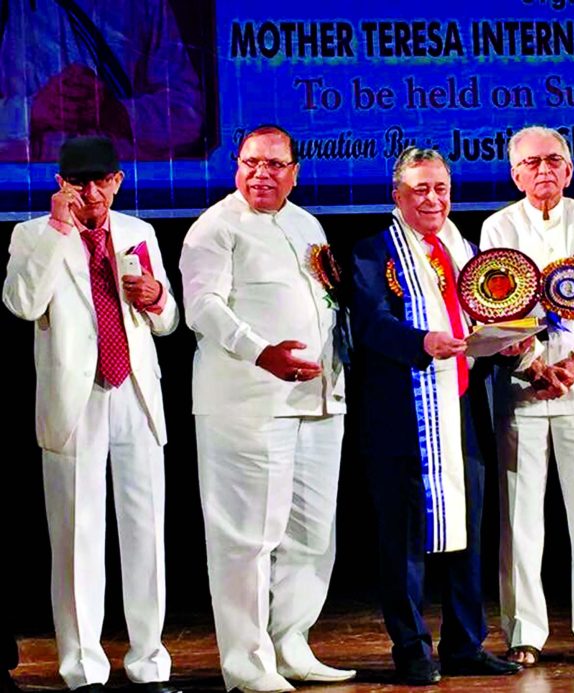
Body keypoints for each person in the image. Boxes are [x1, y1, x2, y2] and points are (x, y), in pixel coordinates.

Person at [179, 125, 354, 692]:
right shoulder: (216, 227)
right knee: (247, 537)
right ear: (236, 166)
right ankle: (247, 665)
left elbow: (328, 299)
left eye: (276, 165)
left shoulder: (307, 224)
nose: (263, 173)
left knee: (311, 533)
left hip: (319, 400)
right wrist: (262, 354)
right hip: (247, 403)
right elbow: (201, 307)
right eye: (252, 162)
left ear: (294, 172)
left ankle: (292, 643)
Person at [2, 135, 179, 693]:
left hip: (135, 393)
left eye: (102, 180)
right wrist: (59, 232)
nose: (92, 192)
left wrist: (155, 297)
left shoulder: (138, 232)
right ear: (61, 184)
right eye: (79, 182)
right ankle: (83, 670)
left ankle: (150, 663)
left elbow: (169, 318)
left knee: (147, 532)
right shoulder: (33, 235)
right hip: (76, 398)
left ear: (117, 181)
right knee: (78, 535)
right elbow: (23, 303)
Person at [348, 147, 523, 686]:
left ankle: (466, 645)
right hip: (403, 414)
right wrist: (422, 340)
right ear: (397, 196)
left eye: (441, 188)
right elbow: (371, 324)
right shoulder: (372, 252)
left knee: (467, 531)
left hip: (461, 408)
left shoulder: (465, 251)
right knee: (403, 539)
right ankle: (412, 648)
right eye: (420, 189)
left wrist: (506, 340)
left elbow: (483, 315)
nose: (432, 199)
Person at [479, 125, 574, 665]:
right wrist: (533, 363)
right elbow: (492, 308)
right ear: (515, 173)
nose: (545, 170)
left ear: (570, 169)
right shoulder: (499, 225)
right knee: (519, 515)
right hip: (521, 386)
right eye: (533, 163)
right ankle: (524, 633)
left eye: (555, 161)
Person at [0, 0, 203, 160]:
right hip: (23, 192)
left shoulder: (147, 4)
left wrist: (119, 114)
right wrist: (34, 112)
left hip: (124, 188)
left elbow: (188, 114)